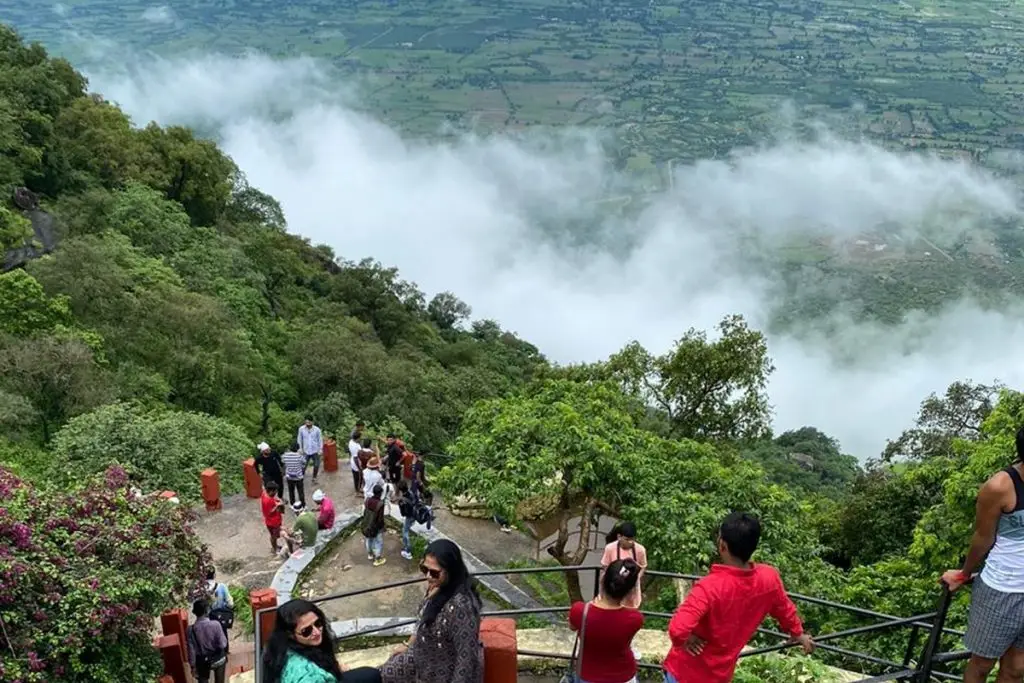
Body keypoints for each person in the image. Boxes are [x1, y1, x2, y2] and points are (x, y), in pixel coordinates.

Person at [662, 512, 814, 683]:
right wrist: (798, 633)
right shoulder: (768, 578)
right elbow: (784, 609)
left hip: (685, 673)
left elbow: (677, 630)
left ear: (722, 545)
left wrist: (688, 638)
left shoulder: (708, 587)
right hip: (720, 675)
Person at [941, 427, 1024, 683]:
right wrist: (964, 573)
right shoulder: (1000, 487)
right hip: (1002, 588)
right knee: (982, 664)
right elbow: (982, 537)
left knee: (1017, 669)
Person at [380, 539, 484, 683]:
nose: (428, 576)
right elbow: (423, 619)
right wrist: (408, 645)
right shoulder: (438, 587)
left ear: (450, 571)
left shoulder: (461, 607)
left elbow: (466, 657)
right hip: (424, 655)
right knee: (386, 673)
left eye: (434, 572)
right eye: (424, 569)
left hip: (444, 670)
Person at [263, 598, 382, 683]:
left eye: (318, 623)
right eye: (306, 631)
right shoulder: (308, 676)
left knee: (370, 674)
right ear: (290, 635)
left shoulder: (280, 648)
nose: (316, 632)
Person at [569, 559, 645, 683]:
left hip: (588, 674)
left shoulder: (579, 611)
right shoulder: (635, 619)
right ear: (631, 590)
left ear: (602, 579)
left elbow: (573, 627)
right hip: (623, 676)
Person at [601, 522, 647, 609]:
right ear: (619, 537)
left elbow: (643, 566)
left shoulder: (640, 550)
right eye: (627, 539)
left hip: (631, 588)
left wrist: (635, 579)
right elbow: (605, 566)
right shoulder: (610, 548)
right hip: (613, 587)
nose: (630, 542)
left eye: (632, 539)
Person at [187, 598, 227, 683]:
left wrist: (193, 667)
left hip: (202, 662)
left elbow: (191, 651)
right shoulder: (216, 624)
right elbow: (223, 644)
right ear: (207, 611)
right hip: (218, 659)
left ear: (194, 613)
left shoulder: (190, 630)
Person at [206, 567, 235, 651]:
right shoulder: (222, 587)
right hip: (220, 618)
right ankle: (225, 651)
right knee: (223, 633)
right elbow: (230, 604)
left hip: (208, 619)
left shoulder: (201, 590)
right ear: (214, 575)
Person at [362, 483, 387, 567]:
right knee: (378, 542)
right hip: (376, 526)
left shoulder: (367, 500)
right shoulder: (380, 504)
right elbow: (380, 519)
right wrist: (382, 527)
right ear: (380, 493)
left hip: (367, 524)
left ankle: (370, 554)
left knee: (369, 540)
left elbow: (365, 513)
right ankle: (378, 559)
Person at [393, 480, 416, 560]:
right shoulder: (411, 493)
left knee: (405, 532)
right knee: (406, 529)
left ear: (399, 490)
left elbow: (403, 514)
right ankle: (407, 547)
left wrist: (400, 503)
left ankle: (408, 551)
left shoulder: (402, 500)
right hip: (414, 514)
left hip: (409, 516)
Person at [261, 481, 286, 555]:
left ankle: (275, 546)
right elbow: (271, 511)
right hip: (273, 522)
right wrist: (278, 505)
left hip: (269, 521)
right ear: (271, 491)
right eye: (275, 491)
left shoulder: (264, 494)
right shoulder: (269, 500)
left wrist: (276, 501)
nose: (276, 493)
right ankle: (275, 549)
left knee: (273, 536)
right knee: (274, 536)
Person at [298, 417, 324, 484]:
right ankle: (301, 478)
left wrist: (320, 449)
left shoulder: (317, 429)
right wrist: (300, 448)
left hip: (315, 450)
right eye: (306, 422)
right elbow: (299, 439)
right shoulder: (301, 429)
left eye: (309, 422)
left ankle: (314, 478)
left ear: (312, 422)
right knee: (303, 465)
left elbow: (320, 440)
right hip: (305, 450)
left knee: (316, 465)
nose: (307, 424)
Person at [282, 443, 306, 507]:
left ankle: (292, 504)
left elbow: (283, 462)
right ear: (298, 449)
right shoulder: (299, 456)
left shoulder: (285, 455)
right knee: (300, 492)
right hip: (298, 477)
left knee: (291, 491)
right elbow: (304, 462)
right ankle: (303, 505)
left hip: (289, 477)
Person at [348, 430, 363, 496]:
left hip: (353, 462)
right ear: (358, 438)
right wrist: (359, 467)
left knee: (356, 477)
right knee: (359, 477)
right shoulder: (355, 446)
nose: (361, 439)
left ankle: (358, 489)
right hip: (356, 463)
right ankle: (357, 492)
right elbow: (356, 457)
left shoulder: (351, 441)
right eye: (360, 437)